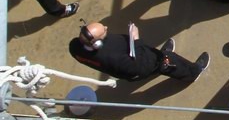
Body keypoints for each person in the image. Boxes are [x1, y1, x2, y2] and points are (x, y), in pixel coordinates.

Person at [69, 21, 209, 84]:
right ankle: (192, 73)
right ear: (97, 43)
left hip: (134, 58)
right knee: (167, 60)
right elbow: (138, 66)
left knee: (153, 56)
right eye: (104, 31)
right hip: (142, 64)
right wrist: (135, 39)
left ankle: (158, 62)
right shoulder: (113, 58)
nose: (106, 27)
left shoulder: (75, 47)